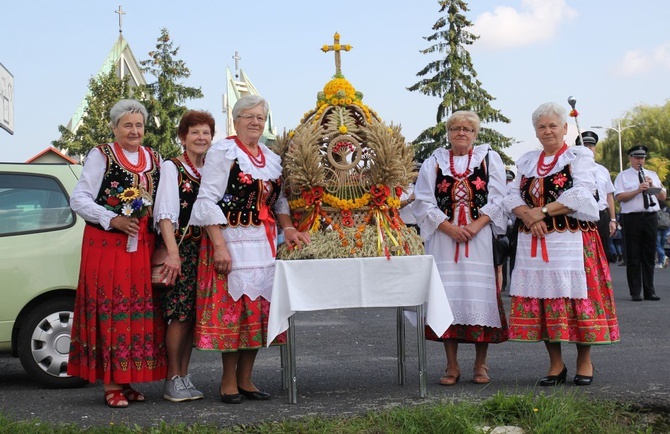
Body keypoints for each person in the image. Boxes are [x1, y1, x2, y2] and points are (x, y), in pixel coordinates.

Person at [189, 95, 311, 404]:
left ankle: (246, 379)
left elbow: (278, 201)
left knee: (256, 313)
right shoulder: (223, 152)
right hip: (231, 241)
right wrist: (219, 247)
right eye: (248, 116)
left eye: (260, 116)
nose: (255, 121)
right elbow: (206, 201)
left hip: (263, 244)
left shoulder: (270, 157)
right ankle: (228, 381)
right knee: (234, 315)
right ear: (236, 120)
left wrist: (289, 228)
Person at [504, 102, 619, 387]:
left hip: (573, 239)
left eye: (553, 125)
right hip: (536, 239)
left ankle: (584, 360)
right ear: (536, 131)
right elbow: (509, 196)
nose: (547, 131)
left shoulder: (579, 157)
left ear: (565, 128)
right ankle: (556, 364)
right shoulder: (528, 161)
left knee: (579, 300)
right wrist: (529, 218)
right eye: (542, 127)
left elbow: (581, 194)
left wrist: (541, 212)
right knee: (544, 300)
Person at [68, 99, 166, 408]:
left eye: (139, 125)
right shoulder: (101, 155)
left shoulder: (154, 157)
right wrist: (113, 219)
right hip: (107, 245)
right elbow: (79, 199)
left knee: (136, 310)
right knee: (111, 309)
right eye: (127, 125)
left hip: (142, 246)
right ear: (114, 128)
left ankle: (126, 380)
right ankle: (110, 383)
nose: (134, 130)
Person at [413, 110, 508, 386]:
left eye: (467, 128)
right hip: (444, 238)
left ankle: (481, 365)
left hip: (478, 238)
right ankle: (451, 365)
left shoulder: (489, 158)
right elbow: (423, 201)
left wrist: (476, 226)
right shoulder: (435, 162)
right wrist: (448, 227)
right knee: (448, 297)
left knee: (479, 297)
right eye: (455, 128)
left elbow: (499, 198)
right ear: (448, 133)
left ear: (476, 134)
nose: (461, 132)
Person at [153, 110, 215, 402]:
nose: (201, 137)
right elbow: (165, 214)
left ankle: (183, 376)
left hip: (203, 250)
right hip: (182, 248)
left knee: (191, 316)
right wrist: (173, 253)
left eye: (205, 133)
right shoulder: (172, 167)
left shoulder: (210, 169)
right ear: (183, 137)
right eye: (195, 132)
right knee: (178, 315)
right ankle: (171, 379)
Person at [614, 145, 667, 300]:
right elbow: (619, 197)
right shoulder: (623, 176)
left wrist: (652, 186)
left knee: (649, 255)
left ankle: (650, 291)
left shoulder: (652, 174)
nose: (640, 160)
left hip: (650, 217)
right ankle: (635, 292)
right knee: (633, 256)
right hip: (632, 218)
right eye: (637, 157)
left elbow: (663, 196)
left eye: (642, 157)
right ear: (630, 158)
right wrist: (638, 190)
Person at [578, 131, 617, 262]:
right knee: (583, 256)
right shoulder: (572, 168)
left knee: (603, 253)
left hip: (601, 215)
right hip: (581, 216)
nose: (589, 149)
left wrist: (613, 219)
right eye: (585, 145)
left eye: (591, 146)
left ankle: (603, 282)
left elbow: (609, 195)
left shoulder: (602, 170)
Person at [655, 200, 670, 268]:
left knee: (657, 245)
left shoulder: (655, 206)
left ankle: (663, 256)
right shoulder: (667, 208)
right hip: (666, 227)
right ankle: (660, 262)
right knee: (662, 245)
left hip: (657, 226)